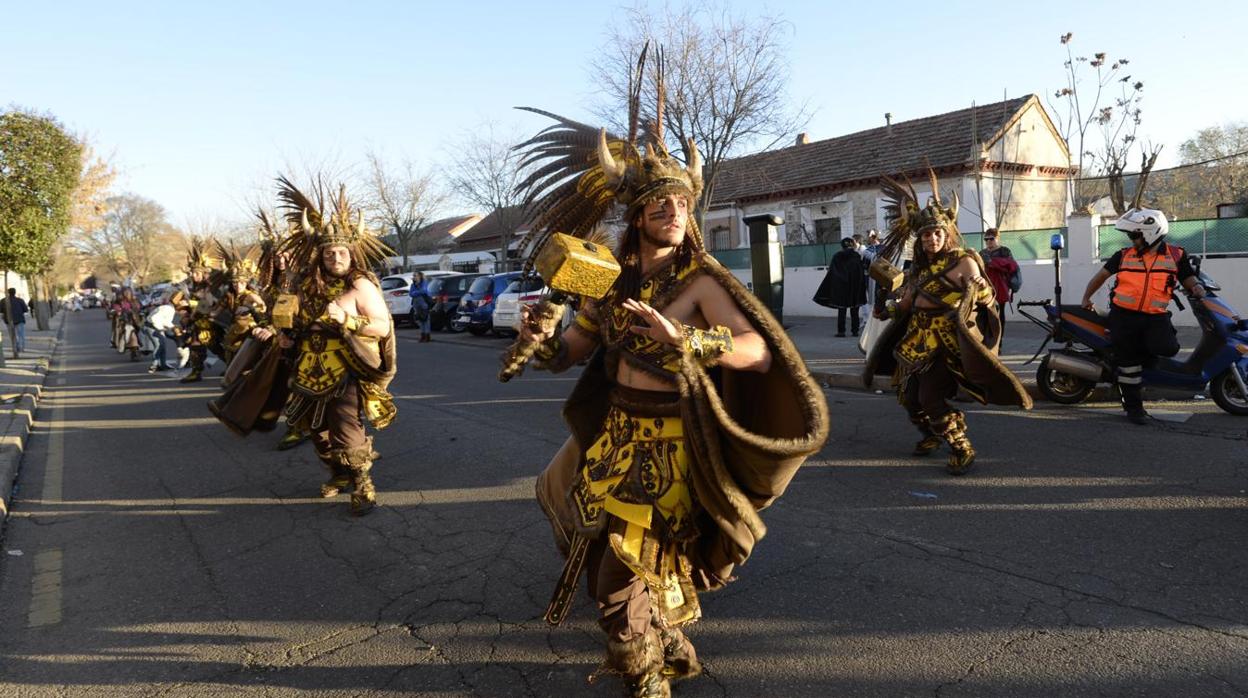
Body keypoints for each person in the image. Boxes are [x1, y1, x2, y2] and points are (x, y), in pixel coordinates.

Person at [510, 75, 828, 698]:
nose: (672, 212)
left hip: (672, 449)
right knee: (614, 546)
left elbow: (759, 351)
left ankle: (646, 675)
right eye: (659, 204)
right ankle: (671, 644)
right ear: (636, 216)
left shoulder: (703, 282)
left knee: (615, 579)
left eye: (681, 204)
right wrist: (538, 341)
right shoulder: (608, 282)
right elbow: (574, 351)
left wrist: (690, 342)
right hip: (614, 441)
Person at [865, 173, 1032, 475]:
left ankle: (961, 446)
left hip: (945, 343)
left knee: (930, 397)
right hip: (915, 342)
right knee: (907, 397)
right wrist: (886, 311)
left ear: (947, 233)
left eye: (937, 233)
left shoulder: (963, 260)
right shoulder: (917, 268)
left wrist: (979, 286)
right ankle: (930, 435)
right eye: (927, 235)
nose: (932, 239)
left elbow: (985, 298)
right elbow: (906, 304)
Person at [251, 178, 397, 516]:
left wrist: (348, 321)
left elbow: (382, 326)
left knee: (347, 428)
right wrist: (283, 336)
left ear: (352, 253)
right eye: (329, 252)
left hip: (345, 368)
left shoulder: (360, 285)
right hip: (306, 368)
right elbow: (290, 321)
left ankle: (364, 487)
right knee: (314, 430)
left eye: (342, 251)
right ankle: (339, 474)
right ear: (320, 254)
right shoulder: (304, 285)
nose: (335, 257)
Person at [1079, 208, 1204, 425]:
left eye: (1135, 235)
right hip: (1124, 318)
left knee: (1168, 348)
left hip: (1155, 317)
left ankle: (1139, 364)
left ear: (1150, 233)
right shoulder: (1123, 255)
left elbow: (1188, 279)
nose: (1132, 240)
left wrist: (1198, 288)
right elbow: (1100, 276)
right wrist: (1086, 298)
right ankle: (1134, 409)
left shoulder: (1176, 255)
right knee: (1129, 365)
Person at [172, 238, 224, 383]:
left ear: (203, 273)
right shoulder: (193, 286)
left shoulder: (211, 286)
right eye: (192, 273)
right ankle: (196, 371)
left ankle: (233, 366)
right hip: (196, 322)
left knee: (217, 347)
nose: (194, 276)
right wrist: (183, 309)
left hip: (210, 322)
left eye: (196, 273)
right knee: (195, 346)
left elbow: (208, 304)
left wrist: (190, 302)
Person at [813, 237, 868, 337]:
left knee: (842, 310)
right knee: (854, 310)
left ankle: (841, 332)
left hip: (841, 288)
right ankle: (855, 331)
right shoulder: (857, 257)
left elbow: (832, 273)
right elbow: (860, 274)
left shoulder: (837, 256)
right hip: (855, 289)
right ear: (852, 245)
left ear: (842, 246)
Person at [980, 228, 1019, 334]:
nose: (988, 241)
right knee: (985, 313)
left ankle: (999, 339)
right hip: (985, 287)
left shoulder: (1005, 251)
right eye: (986, 239)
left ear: (997, 238)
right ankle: (988, 337)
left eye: (991, 239)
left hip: (1001, 287)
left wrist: (992, 262)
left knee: (999, 313)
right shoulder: (982, 253)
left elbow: (1012, 266)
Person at [2, 288, 29, 355]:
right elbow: (26, 309)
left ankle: (15, 347)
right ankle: (21, 348)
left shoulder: (3, 301)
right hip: (19, 319)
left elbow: (1, 310)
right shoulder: (20, 300)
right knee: (21, 335)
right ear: (15, 292)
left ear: (8, 293)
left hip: (8, 320)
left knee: (12, 335)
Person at [409, 271, 433, 342]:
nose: (414, 277)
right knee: (420, 320)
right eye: (413, 276)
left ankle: (427, 336)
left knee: (425, 319)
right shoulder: (413, 285)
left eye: (415, 276)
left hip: (424, 303)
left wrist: (415, 292)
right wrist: (417, 292)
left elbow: (424, 291)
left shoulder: (424, 283)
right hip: (416, 304)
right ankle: (422, 335)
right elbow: (410, 293)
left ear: (419, 276)